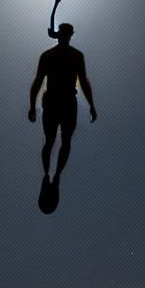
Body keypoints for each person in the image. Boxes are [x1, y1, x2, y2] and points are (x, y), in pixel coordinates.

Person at [28, 22, 96, 186]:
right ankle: (47, 175)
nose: (67, 36)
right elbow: (38, 81)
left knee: (64, 141)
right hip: (54, 100)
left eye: (68, 34)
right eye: (65, 33)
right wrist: (32, 106)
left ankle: (55, 175)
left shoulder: (74, 56)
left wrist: (92, 105)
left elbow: (84, 82)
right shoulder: (49, 56)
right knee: (50, 141)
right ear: (61, 35)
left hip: (65, 102)